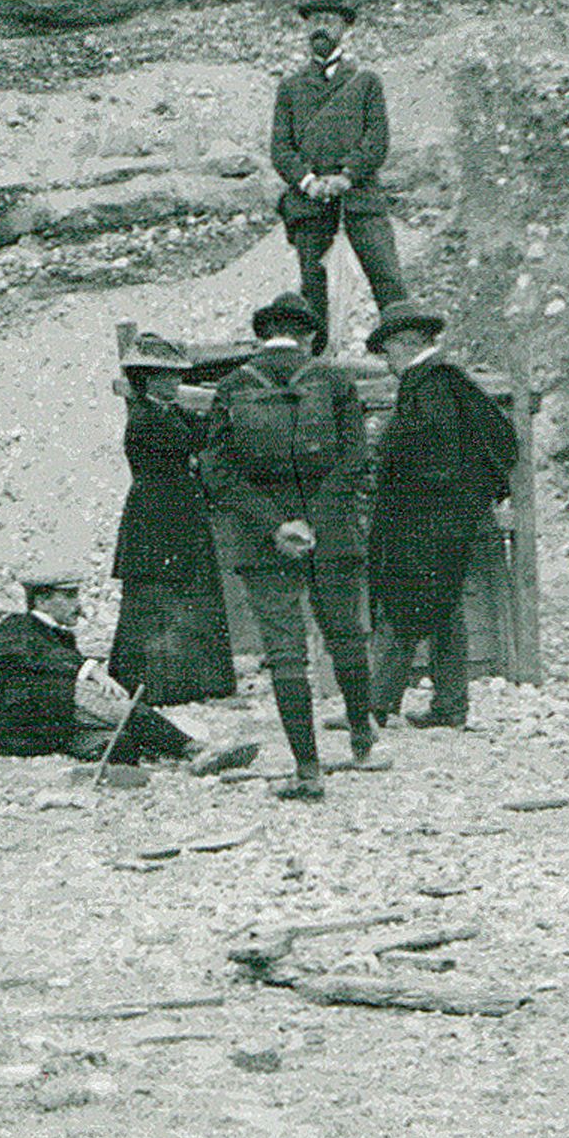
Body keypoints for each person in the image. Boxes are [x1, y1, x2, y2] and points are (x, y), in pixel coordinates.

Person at [197, 292, 391, 800]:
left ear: (263, 335)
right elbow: (356, 458)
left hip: (265, 544)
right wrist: (316, 522)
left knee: (285, 656)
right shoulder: (335, 381)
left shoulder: (233, 386)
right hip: (333, 536)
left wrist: (276, 525)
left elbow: (217, 471)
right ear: (308, 335)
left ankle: (308, 771)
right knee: (346, 637)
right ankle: (362, 739)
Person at [365, 303, 519, 729]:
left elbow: (435, 458)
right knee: (444, 609)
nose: (387, 362)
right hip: (445, 521)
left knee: (403, 604)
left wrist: (389, 452)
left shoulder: (430, 385)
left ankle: (377, 707)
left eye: (388, 352)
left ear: (405, 345)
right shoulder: (444, 381)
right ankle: (449, 706)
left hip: (426, 520)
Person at [0, 573, 259, 774]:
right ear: (41, 600)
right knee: (125, 711)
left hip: (50, 723)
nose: (77, 604)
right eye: (68, 596)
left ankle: (171, 758)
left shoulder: (55, 635)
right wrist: (92, 671)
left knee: (120, 746)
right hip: (26, 717)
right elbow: (34, 655)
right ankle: (195, 751)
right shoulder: (17, 626)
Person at [106, 336, 238, 706]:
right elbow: (198, 440)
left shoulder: (168, 411)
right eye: (167, 376)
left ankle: (193, 681)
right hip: (157, 515)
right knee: (160, 597)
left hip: (175, 512)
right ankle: (162, 686)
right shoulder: (147, 419)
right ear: (147, 378)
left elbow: (202, 432)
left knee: (186, 593)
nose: (175, 382)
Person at [272, 0, 406, 331]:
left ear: (345, 27)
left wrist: (347, 176)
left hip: (361, 200)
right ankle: (316, 358)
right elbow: (281, 149)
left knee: (388, 280)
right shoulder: (290, 87)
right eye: (314, 20)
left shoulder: (366, 82)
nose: (321, 27)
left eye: (329, 20)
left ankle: (407, 349)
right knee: (312, 296)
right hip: (310, 205)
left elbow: (377, 141)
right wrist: (308, 182)